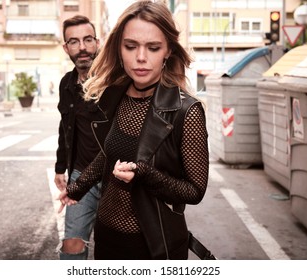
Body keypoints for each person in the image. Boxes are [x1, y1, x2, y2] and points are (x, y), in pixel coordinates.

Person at [58, 1, 209, 260]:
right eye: (131, 46)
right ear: (118, 49)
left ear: (168, 50)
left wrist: (143, 174)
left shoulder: (186, 111)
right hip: (105, 240)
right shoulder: (113, 96)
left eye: (153, 48)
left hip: (150, 245)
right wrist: (77, 187)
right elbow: (108, 153)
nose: (141, 57)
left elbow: (194, 191)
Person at [54, 14, 103, 260]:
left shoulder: (114, 80)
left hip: (117, 176)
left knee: (113, 248)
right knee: (71, 244)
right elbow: (65, 128)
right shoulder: (66, 83)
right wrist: (60, 168)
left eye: (88, 40)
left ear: (97, 42)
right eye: (74, 42)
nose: (82, 47)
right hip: (80, 174)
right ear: (66, 48)